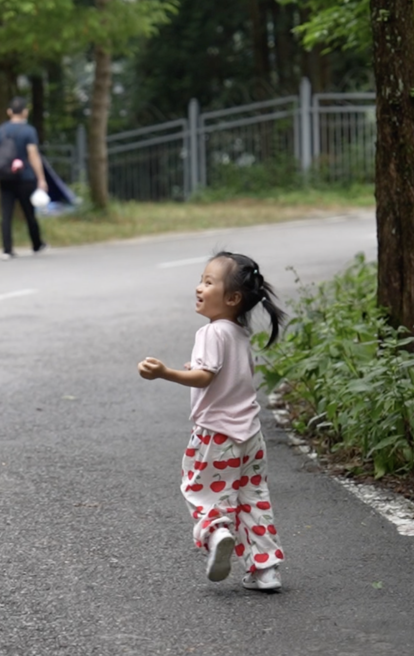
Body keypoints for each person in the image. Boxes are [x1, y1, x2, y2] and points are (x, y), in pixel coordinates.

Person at [137, 252, 287, 590]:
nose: (199, 287)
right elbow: (230, 379)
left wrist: (166, 373)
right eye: (201, 280)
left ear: (232, 298)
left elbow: (205, 378)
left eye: (208, 282)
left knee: (200, 491)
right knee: (253, 498)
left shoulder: (210, 333)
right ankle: (266, 569)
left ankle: (217, 532)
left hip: (216, 437)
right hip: (250, 437)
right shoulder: (239, 334)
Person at [0, 96, 48, 260]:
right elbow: (33, 155)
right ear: (25, 112)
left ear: (9, 112)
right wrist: (41, 178)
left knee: (6, 213)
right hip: (25, 177)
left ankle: (7, 249)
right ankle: (36, 244)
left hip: (6, 177)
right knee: (29, 212)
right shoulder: (29, 131)